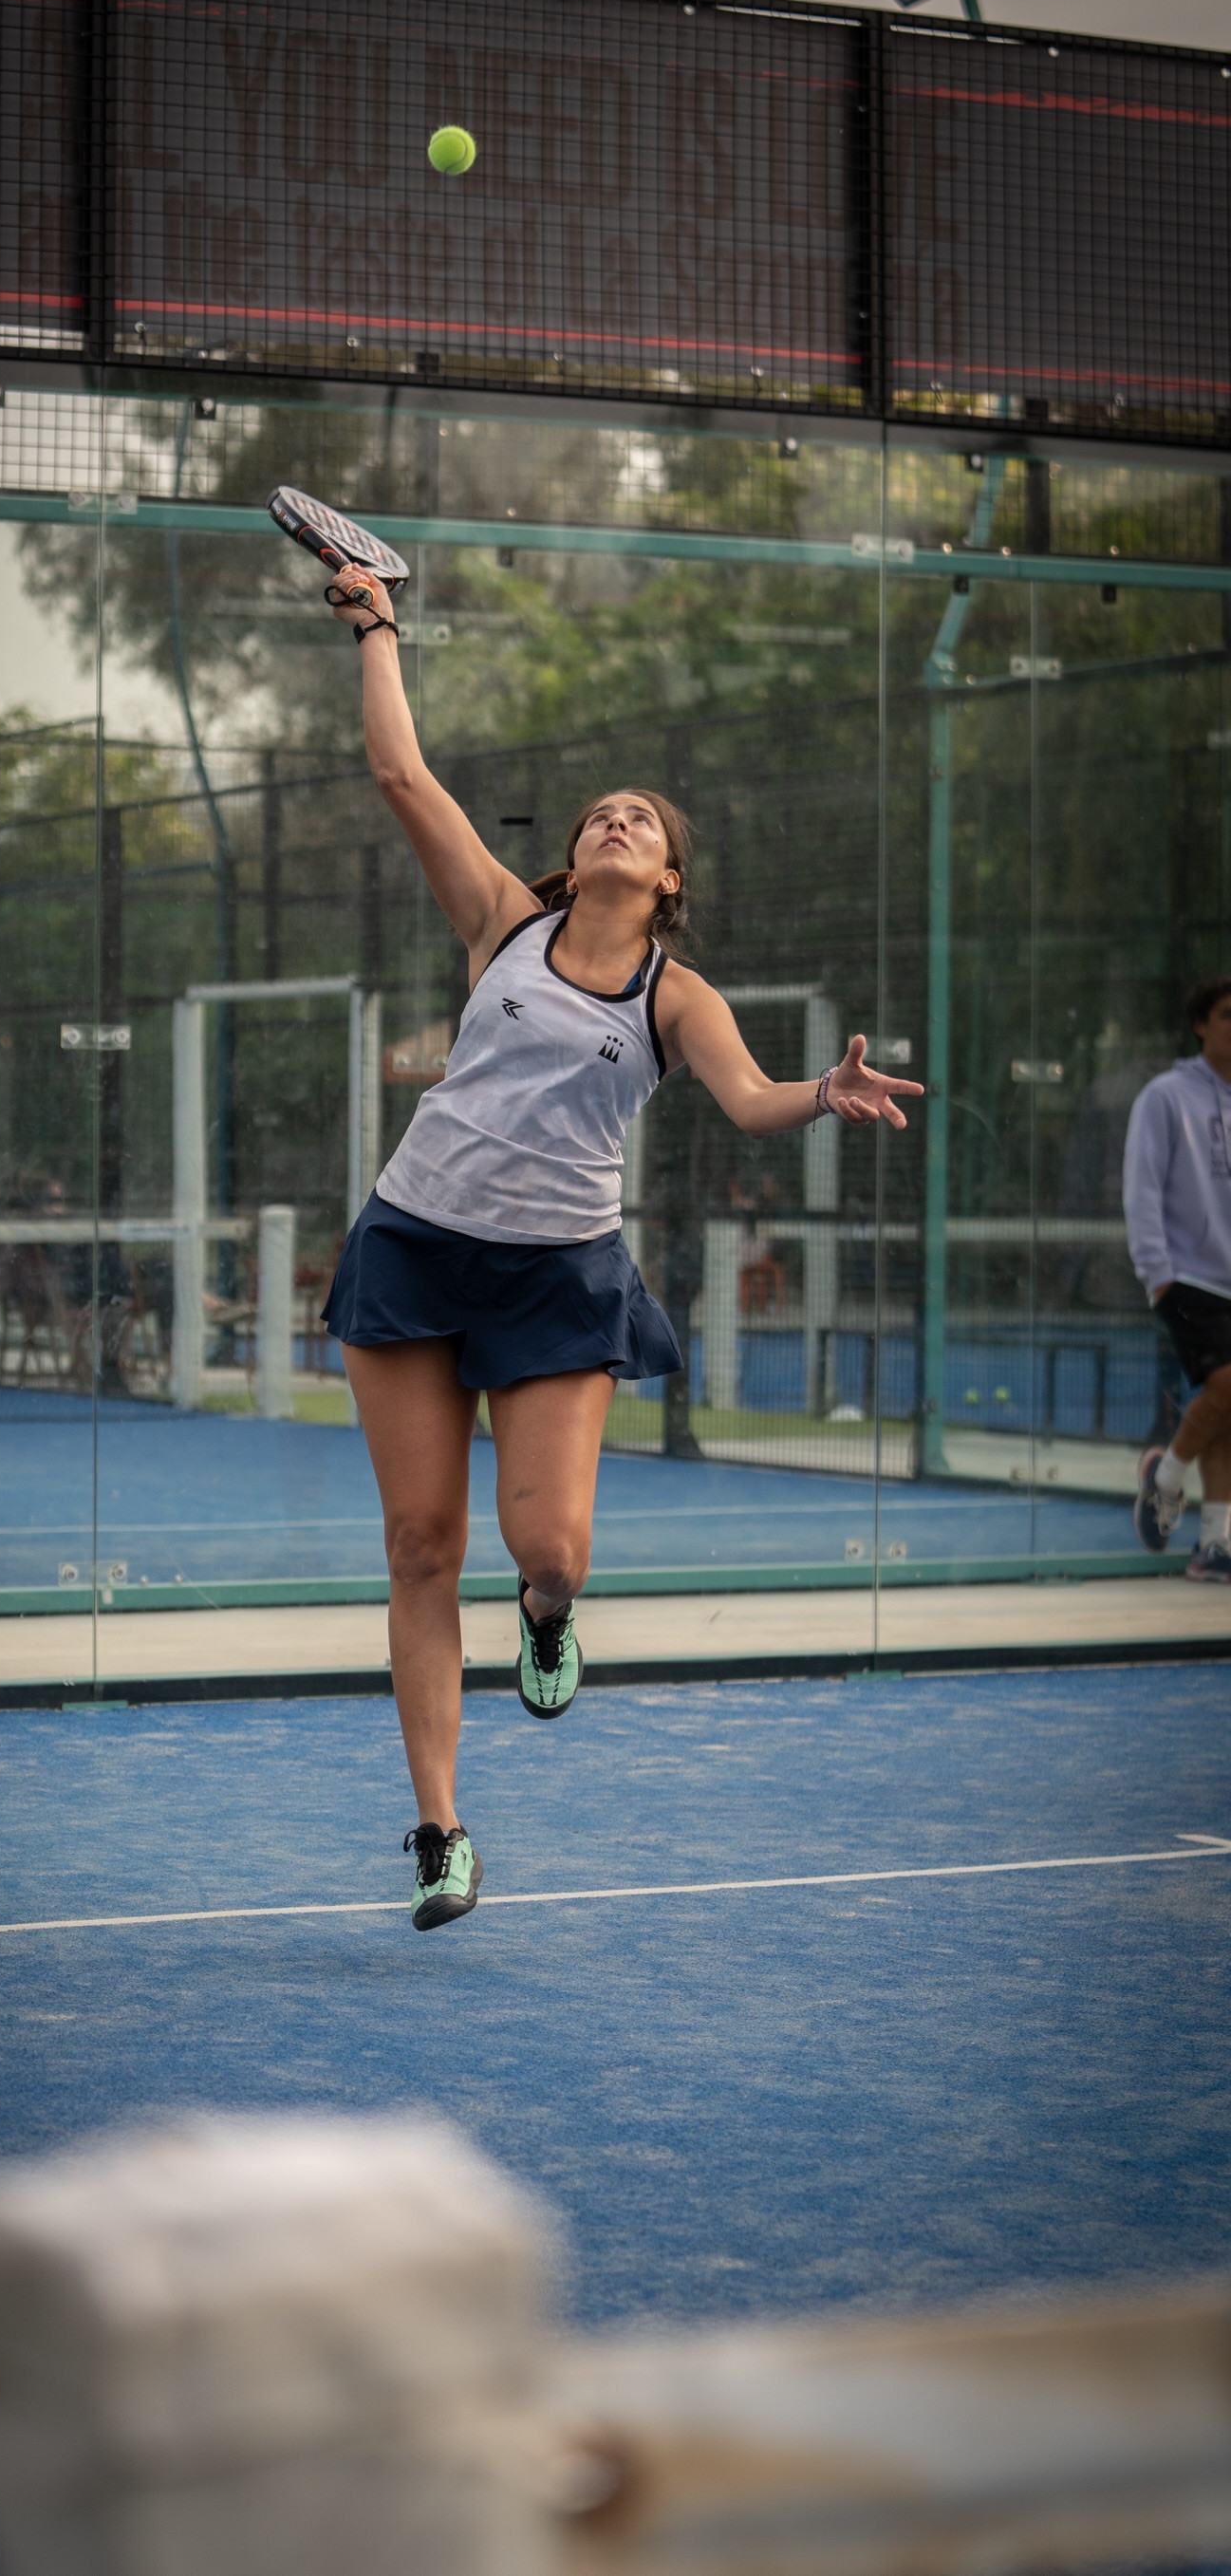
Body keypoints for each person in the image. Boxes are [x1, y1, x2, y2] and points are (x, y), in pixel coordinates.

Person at [320, 563, 923, 1932]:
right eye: (603, 809)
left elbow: (754, 1101)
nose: (614, 817)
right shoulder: (501, 923)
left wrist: (826, 1091)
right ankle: (441, 1831)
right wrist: (378, 626)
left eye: (640, 818)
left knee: (556, 1548)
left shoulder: (675, 995)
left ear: (667, 878)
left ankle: (546, 1615)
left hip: (557, 1273)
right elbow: (402, 773)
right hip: (414, 1246)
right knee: (419, 1541)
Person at [1125, 976, 1231, 1582]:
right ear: (1200, 1024)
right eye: (1227, 1014)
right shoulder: (1165, 1096)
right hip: (1187, 1279)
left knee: (1225, 1408)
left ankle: (1215, 1544)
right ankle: (1166, 1479)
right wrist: (1157, 1273)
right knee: (1228, 1389)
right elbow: (1141, 1187)